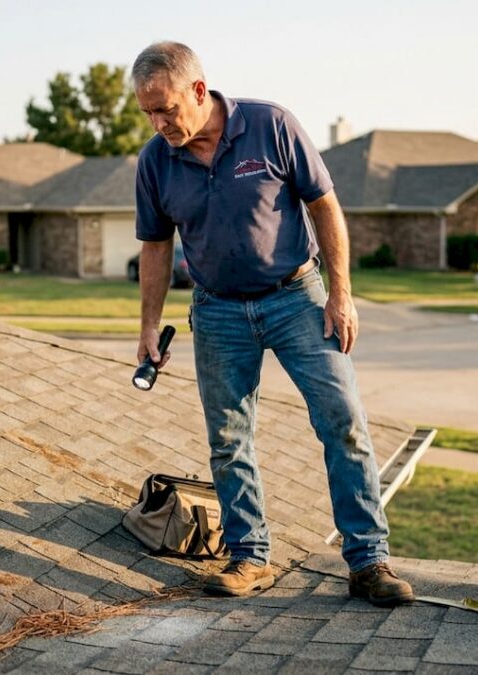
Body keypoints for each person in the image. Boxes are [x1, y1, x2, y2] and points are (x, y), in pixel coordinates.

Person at [131, 42, 414, 607]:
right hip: (216, 311)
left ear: (198, 90)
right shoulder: (155, 161)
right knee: (229, 438)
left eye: (166, 109)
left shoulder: (271, 125)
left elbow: (325, 206)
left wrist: (341, 294)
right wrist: (149, 325)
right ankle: (249, 556)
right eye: (148, 113)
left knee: (343, 421)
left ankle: (368, 562)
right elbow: (156, 246)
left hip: (296, 298)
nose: (159, 123)